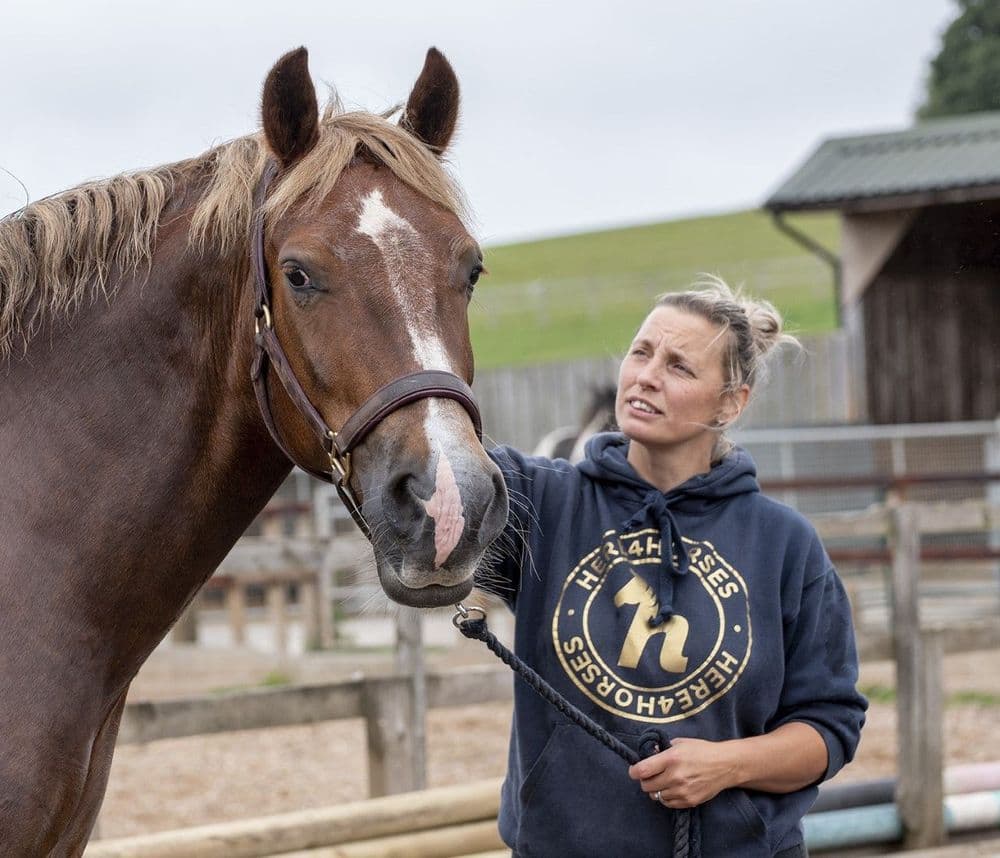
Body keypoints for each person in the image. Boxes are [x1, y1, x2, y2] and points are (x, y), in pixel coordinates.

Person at [479, 276, 867, 858]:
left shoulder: (785, 545)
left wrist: (726, 766)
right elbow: (431, 474)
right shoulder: (542, 501)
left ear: (730, 403)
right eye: (641, 352)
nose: (647, 376)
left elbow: (829, 728)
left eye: (680, 367)